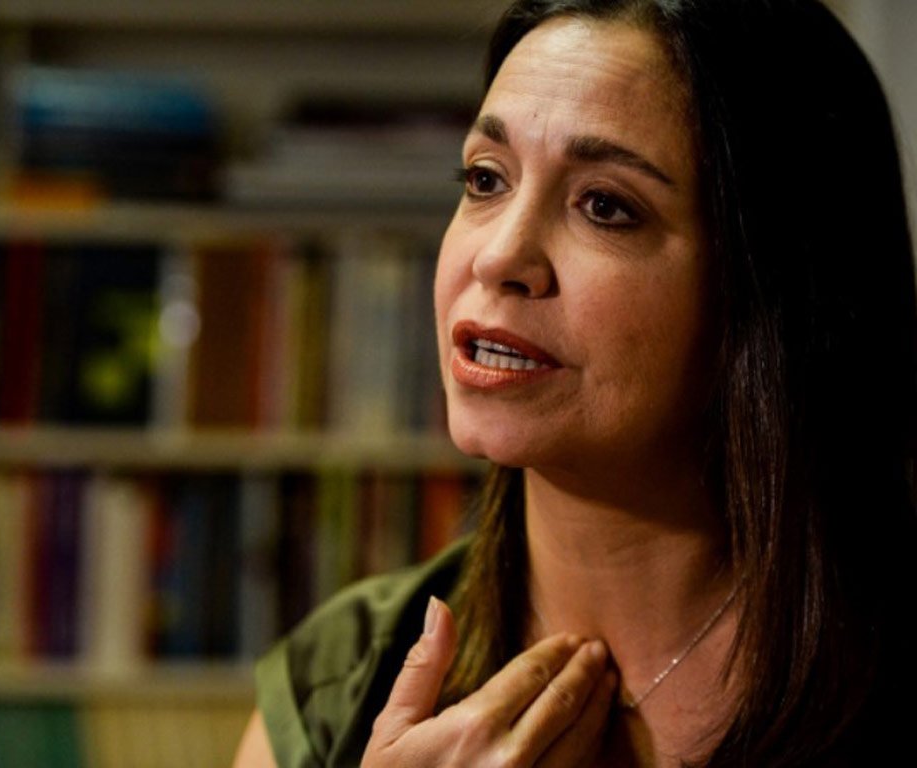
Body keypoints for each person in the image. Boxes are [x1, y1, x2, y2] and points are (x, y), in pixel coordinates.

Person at [234, 0, 917, 765]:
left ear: (777, 287)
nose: (499, 256)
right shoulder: (337, 686)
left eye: (605, 206)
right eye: (485, 179)